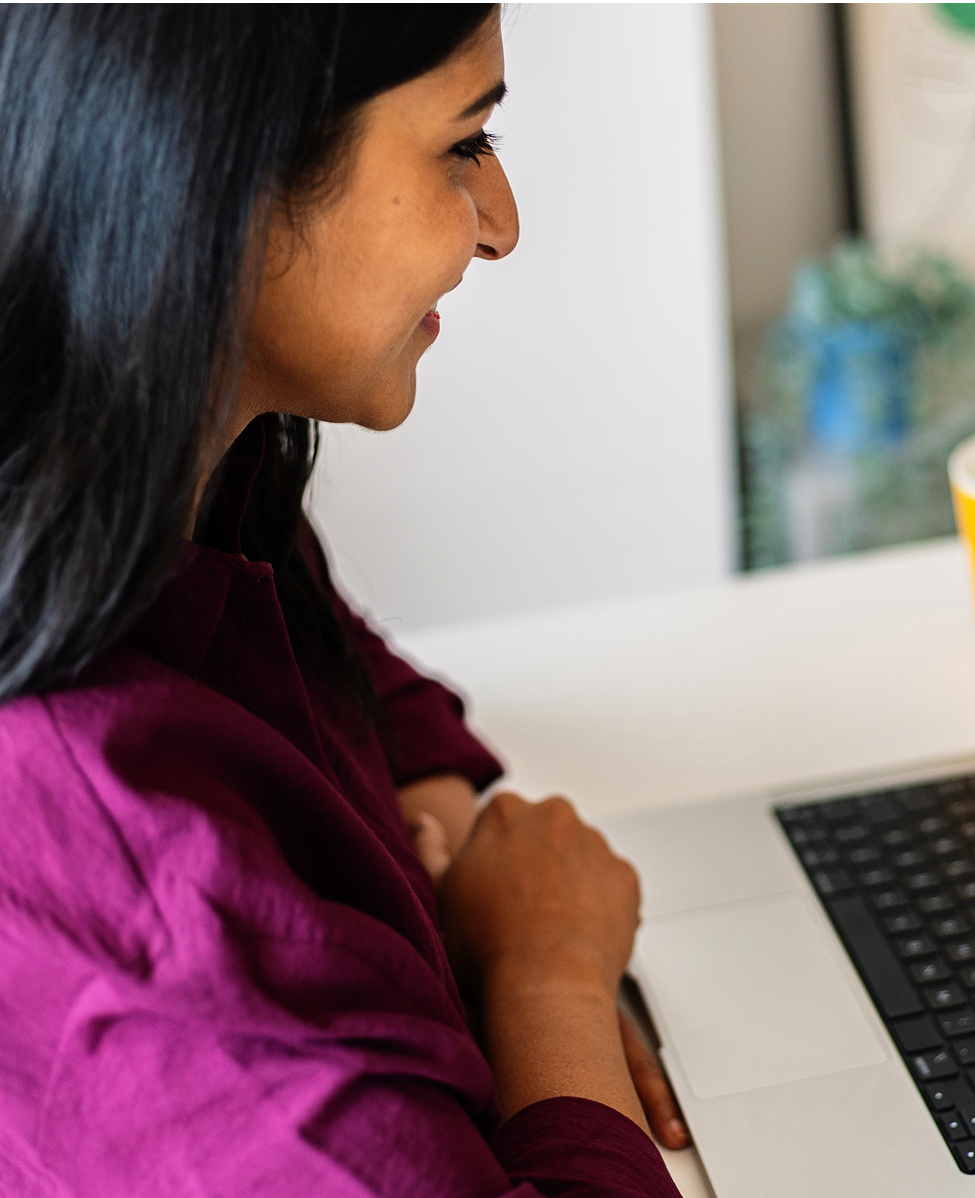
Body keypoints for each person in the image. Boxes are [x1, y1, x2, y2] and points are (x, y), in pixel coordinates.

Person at [0, 7, 685, 1195]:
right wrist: (545, 982)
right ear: (226, 170)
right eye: (463, 144)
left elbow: (330, 651)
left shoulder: (148, 472)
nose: (503, 224)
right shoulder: (164, 949)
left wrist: (445, 867)